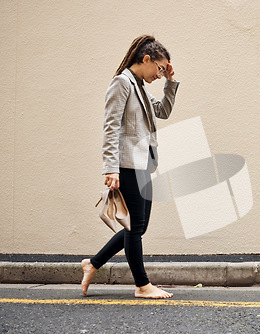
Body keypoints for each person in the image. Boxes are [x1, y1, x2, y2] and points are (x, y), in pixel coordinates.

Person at [81, 35, 179, 299]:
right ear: (145, 59)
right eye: (159, 68)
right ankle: (142, 285)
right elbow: (111, 127)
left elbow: (163, 111)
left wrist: (170, 82)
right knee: (135, 228)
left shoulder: (139, 85)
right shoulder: (122, 83)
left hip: (144, 162)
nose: (159, 74)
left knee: (138, 226)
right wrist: (110, 168)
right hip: (126, 165)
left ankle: (93, 263)